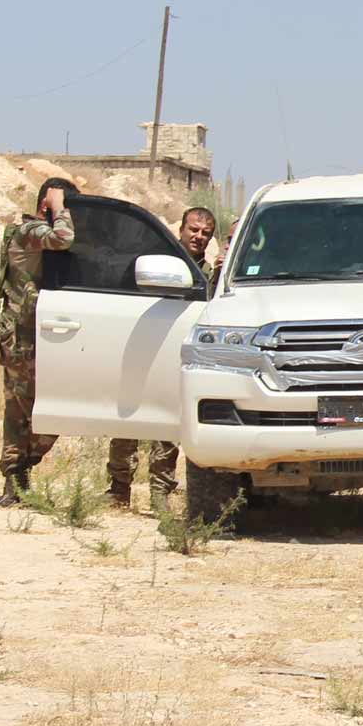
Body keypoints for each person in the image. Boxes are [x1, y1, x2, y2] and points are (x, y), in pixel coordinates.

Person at [105, 206, 217, 509]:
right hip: (142, 350)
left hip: (175, 355)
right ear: (180, 229)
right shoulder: (158, 262)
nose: (198, 237)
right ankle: (118, 489)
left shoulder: (208, 276)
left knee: (168, 427)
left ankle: (160, 493)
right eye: (193, 230)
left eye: (206, 233)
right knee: (126, 421)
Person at [0, 178, 76, 505]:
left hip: (44, 333)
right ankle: (14, 478)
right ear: (47, 204)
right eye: (65, 206)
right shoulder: (28, 231)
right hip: (21, 335)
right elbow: (64, 237)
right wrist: (58, 207)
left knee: (52, 409)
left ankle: (25, 468)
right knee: (20, 409)